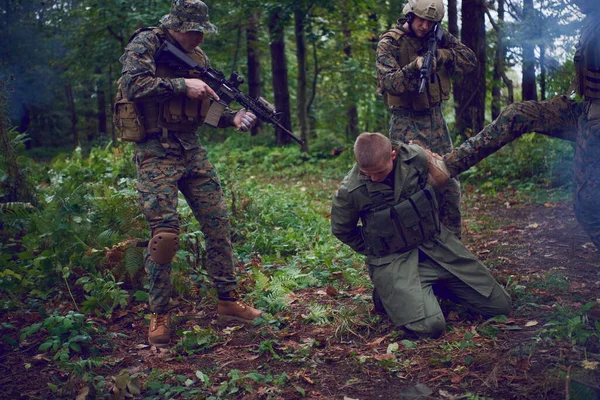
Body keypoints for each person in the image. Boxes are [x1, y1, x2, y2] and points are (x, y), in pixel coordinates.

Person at [117, 0, 262, 348]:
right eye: (195, 31)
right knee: (165, 236)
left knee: (218, 223)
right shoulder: (146, 43)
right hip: (155, 150)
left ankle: (228, 300)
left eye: (202, 32)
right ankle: (159, 314)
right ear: (179, 26)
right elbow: (133, 85)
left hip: (191, 149)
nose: (200, 38)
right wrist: (181, 85)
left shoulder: (199, 60)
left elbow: (204, 113)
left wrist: (232, 118)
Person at [426, 0, 600, 250]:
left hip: (596, 124)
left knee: (589, 205)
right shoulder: (591, 19)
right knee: (517, 114)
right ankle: (447, 166)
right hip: (584, 111)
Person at [330, 132, 511, 338]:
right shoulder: (351, 191)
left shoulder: (415, 158)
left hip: (436, 246)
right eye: (367, 173)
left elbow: (441, 184)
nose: (374, 178)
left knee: (500, 307)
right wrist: (377, 248)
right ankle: (387, 293)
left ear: (393, 155)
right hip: (394, 261)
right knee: (431, 326)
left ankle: (432, 286)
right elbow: (341, 229)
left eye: (379, 172)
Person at [376, 0, 477, 239]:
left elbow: (469, 60)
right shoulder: (390, 42)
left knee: (448, 179)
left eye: (430, 22)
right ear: (409, 16)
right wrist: (414, 67)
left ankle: (452, 241)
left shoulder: (438, 36)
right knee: (408, 182)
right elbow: (389, 82)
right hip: (406, 121)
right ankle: (411, 241)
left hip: (436, 119)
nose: (424, 26)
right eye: (420, 20)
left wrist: (442, 56)